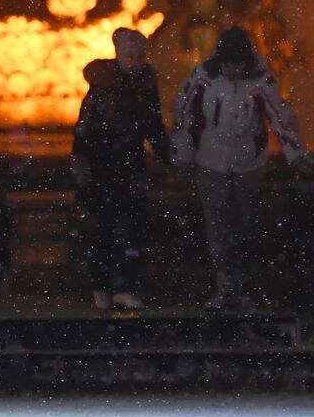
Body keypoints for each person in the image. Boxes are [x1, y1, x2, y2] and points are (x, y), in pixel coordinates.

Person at [172, 26, 313, 311]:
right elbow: (184, 116)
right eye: (228, 63)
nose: (233, 69)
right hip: (211, 161)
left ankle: (244, 283)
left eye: (238, 63)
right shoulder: (204, 79)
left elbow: (280, 116)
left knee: (246, 222)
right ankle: (225, 283)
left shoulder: (260, 80)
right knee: (218, 223)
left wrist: (297, 155)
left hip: (249, 161)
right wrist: (182, 156)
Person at [71, 28, 171, 311]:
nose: (136, 61)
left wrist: (168, 156)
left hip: (129, 166)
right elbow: (85, 125)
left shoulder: (145, 85)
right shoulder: (103, 85)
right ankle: (101, 286)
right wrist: (81, 160)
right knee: (101, 230)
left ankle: (124, 286)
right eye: (131, 56)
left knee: (129, 231)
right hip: (102, 167)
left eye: (141, 56)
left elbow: (152, 124)